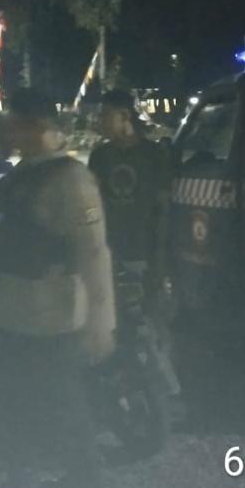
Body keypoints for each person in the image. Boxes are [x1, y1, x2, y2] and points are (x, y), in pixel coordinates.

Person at [0, 88, 114, 488]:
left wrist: (100, 320)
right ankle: (53, 481)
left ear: (35, 126)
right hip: (18, 310)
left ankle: (45, 485)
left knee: (49, 399)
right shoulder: (26, 172)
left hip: (52, 313)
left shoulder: (70, 178)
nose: (7, 132)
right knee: (32, 398)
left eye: (12, 124)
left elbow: (93, 251)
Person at [88, 89, 181, 398]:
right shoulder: (100, 156)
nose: (100, 121)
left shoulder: (154, 155)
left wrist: (160, 258)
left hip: (145, 253)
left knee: (153, 323)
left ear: (125, 117)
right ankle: (130, 388)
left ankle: (167, 392)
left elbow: (163, 208)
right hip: (110, 255)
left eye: (106, 115)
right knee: (117, 324)